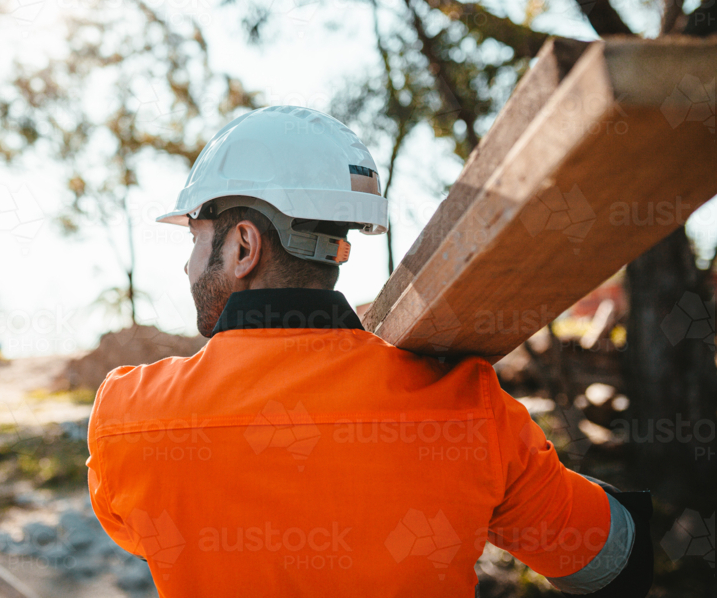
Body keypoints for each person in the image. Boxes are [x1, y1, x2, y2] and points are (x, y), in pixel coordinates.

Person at [85, 106, 652, 597]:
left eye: (195, 239)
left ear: (243, 246)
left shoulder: (130, 418)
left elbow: (139, 530)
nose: (187, 265)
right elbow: (612, 565)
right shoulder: (466, 409)